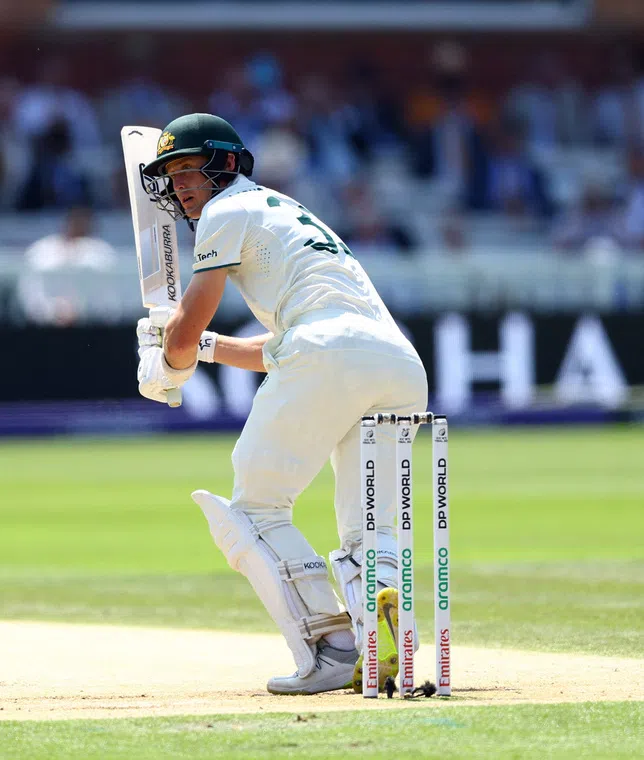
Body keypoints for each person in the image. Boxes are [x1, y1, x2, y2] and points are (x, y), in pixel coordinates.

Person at [135, 113, 428, 695]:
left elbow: (191, 322)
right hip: (396, 363)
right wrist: (206, 351)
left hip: (326, 351)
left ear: (224, 164)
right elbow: (290, 344)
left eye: (190, 168)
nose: (181, 185)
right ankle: (385, 627)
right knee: (372, 527)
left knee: (255, 507)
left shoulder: (223, 213)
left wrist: (166, 364)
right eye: (171, 175)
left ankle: (334, 650)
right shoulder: (283, 212)